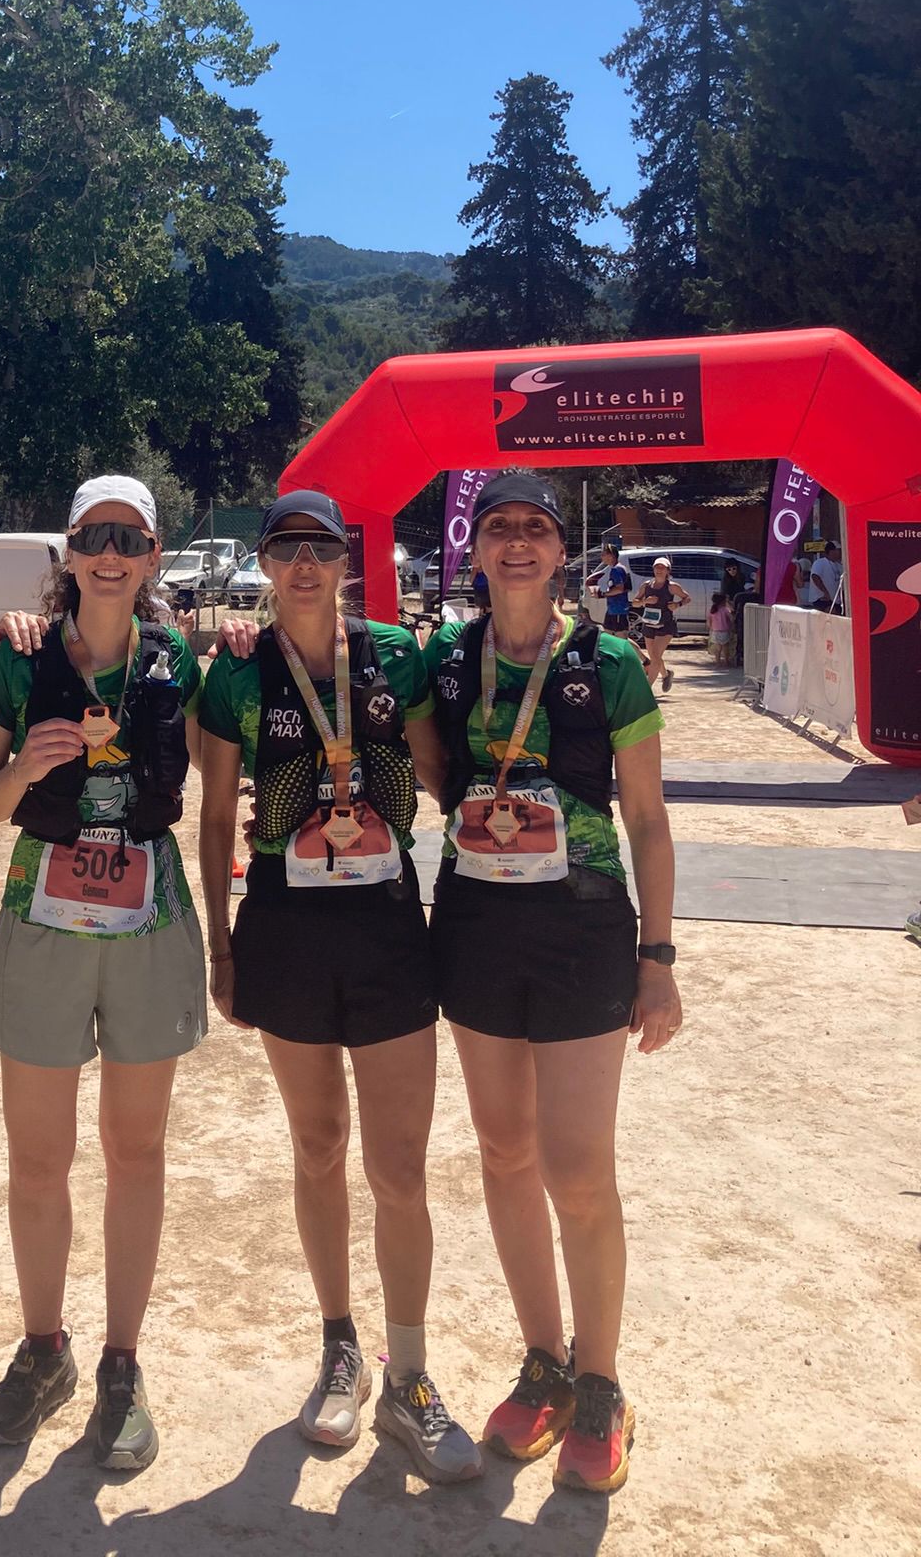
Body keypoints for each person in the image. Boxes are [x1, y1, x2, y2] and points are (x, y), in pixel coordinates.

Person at [198, 490, 481, 1485]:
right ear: (265, 564)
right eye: (287, 549)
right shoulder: (238, 669)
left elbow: (442, 771)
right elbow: (214, 816)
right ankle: (339, 1348)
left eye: (321, 548)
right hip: (283, 925)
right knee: (317, 1145)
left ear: (346, 562)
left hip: (386, 924)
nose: (305, 565)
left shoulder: (396, 655)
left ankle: (409, 1373)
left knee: (399, 1167)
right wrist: (221, 947)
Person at [423, 472, 681, 1495]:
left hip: (581, 926)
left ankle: (602, 1379)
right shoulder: (447, 658)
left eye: (535, 527)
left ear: (560, 550)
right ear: (477, 549)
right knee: (502, 1150)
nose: (518, 542)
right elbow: (420, 759)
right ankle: (544, 1363)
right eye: (499, 528)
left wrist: (658, 959)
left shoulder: (608, 663)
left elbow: (648, 820)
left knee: (576, 1168)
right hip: (477, 923)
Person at [0, 475, 206, 1473]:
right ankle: (43, 1347)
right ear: (68, 551)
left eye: (129, 538)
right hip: (45, 916)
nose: (111, 554)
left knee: (135, 1151)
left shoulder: (179, 660)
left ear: (153, 557)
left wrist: (243, 642)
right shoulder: (19, 659)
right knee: (38, 1158)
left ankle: (121, 1362)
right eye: (94, 536)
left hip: (148, 917)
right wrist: (24, 768)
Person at [631, 557, 689, 692]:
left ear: (668, 570)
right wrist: (645, 602)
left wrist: (678, 604)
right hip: (649, 624)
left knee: (656, 656)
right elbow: (634, 602)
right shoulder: (646, 585)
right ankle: (666, 675)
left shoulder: (672, 586)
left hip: (665, 625)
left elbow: (687, 597)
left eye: (662, 568)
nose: (659, 570)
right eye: (657, 567)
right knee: (654, 657)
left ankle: (646, 689)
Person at [586, 544, 632, 637]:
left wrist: (603, 594)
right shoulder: (615, 569)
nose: (602, 557)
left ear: (611, 556)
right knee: (607, 634)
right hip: (612, 608)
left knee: (621, 636)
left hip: (618, 609)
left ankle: (634, 647)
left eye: (604, 554)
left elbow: (619, 589)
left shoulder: (617, 569)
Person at [810, 542, 842, 613]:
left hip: (836, 600)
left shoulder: (839, 565)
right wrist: (825, 592)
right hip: (823, 599)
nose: (840, 553)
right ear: (832, 551)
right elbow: (815, 576)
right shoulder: (820, 562)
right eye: (838, 550)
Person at [708, 593, 733, 667]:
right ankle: (726, 662)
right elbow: (731, 617)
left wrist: (710, 628)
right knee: (725, 647)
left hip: (715, 631)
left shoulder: (712, 610)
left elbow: (709, 621)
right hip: (724, 630)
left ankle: (718, 662)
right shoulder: (725, 610)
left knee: (718, 648)